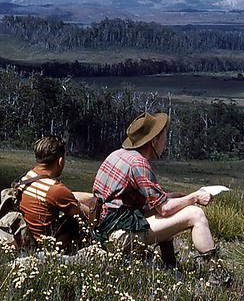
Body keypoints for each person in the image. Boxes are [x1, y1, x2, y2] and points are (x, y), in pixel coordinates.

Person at [92, 111, 223, 274]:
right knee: (195, 214)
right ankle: (217, 274)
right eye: (164, 138)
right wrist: (194, 197)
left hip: (106, 229)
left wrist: (171, 197)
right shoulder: (139, 164)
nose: (165, 143)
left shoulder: (117, 155)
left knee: (173, 210)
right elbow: (165, 209)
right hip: (120, 235)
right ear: (154, 140)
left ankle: (170, 266)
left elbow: (131, 200)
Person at [18, 134, 94, 253]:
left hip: (29, 238)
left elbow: (63, 197)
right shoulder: (55, 189)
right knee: (73, 222)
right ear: (60, 160)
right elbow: (88, 216)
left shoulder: (27, 178)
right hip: (47, 246)